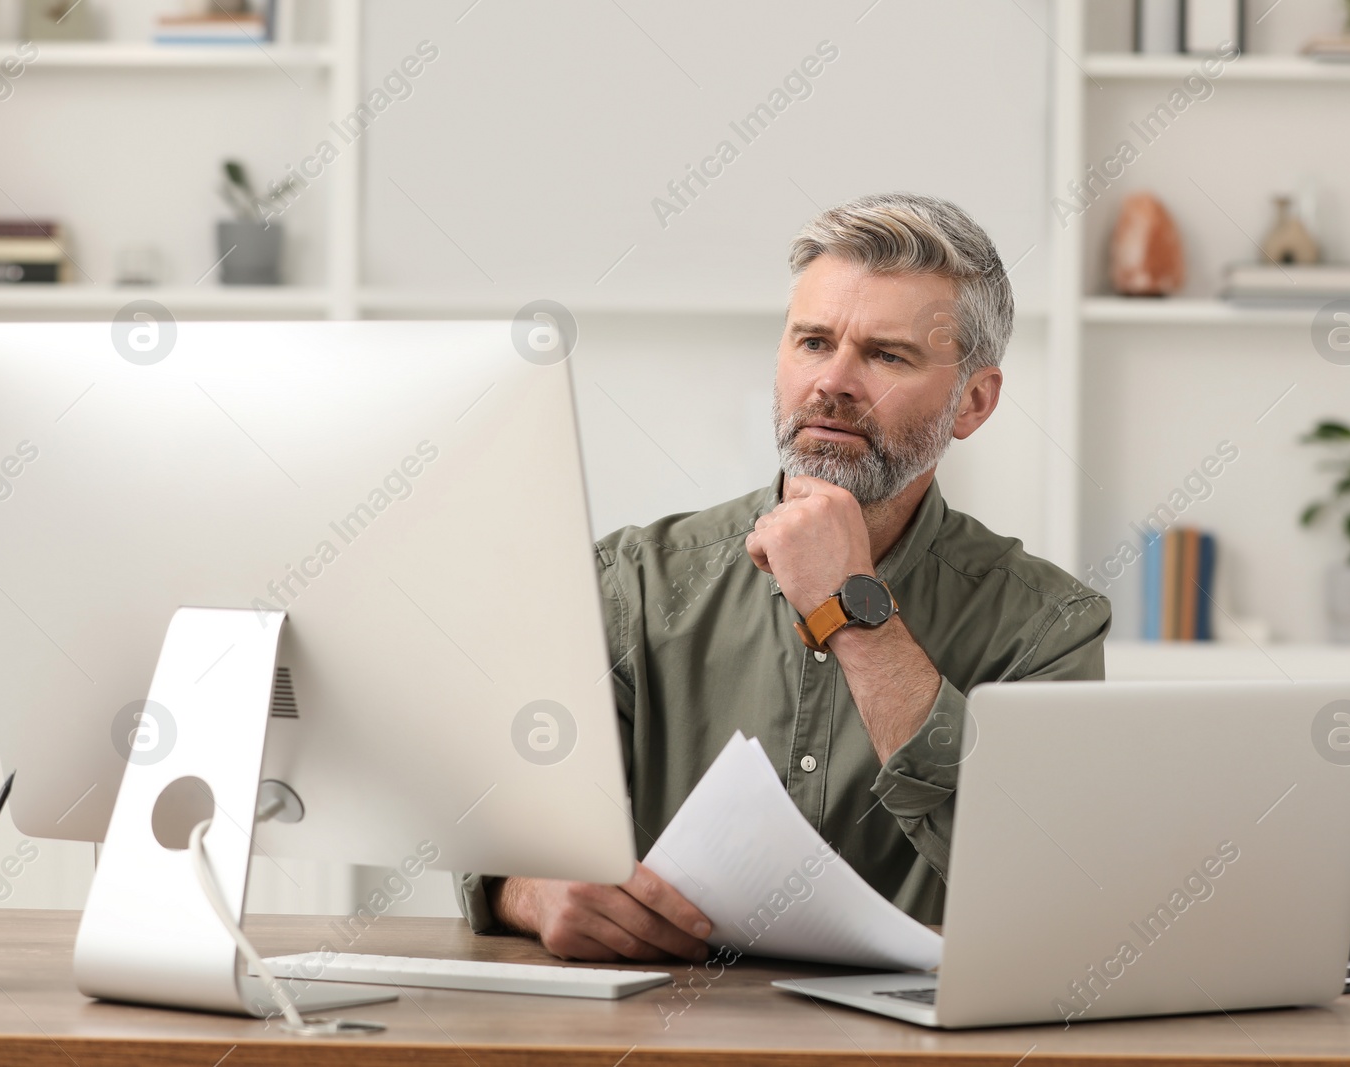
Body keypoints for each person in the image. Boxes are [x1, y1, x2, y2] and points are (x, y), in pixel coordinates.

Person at [458, 192, 1110, 962]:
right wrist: (530, 889)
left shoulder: (1049, 625)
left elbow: (1043, 880)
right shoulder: (631, 582)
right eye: (812, 341)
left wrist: (853, 614)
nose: (833, 381)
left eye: (886, 354)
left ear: (972, 402)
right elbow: (496, 824)